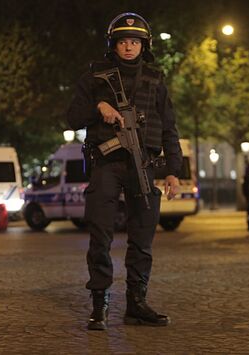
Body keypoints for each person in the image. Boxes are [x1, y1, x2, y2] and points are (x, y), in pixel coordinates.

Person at [67, 12, 182, 330]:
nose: (128, 47)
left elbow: (169, 126)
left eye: (134, 41)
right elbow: (72, 116)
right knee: (100, 235)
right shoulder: (95, 75)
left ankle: (137, 303)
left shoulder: (156, 79)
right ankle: (99, 304)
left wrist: (173, 170)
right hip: (107, 165)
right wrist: (98, 108)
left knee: (143, 237)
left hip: (142, 164)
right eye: (122, 42)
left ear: (143, 46)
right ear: (113, 45)